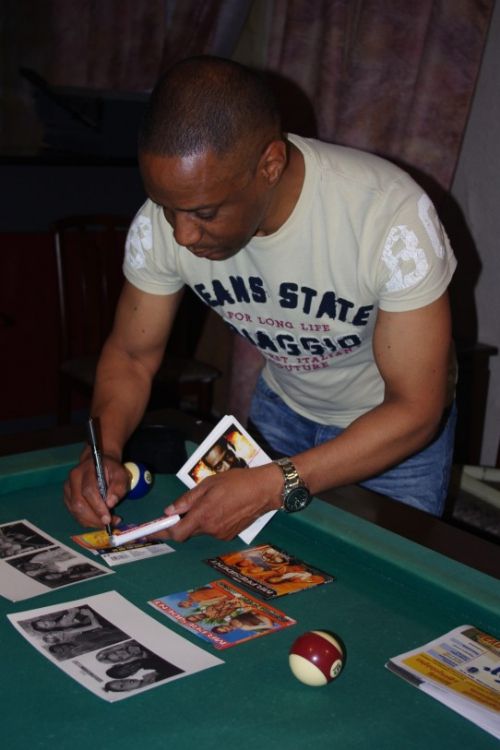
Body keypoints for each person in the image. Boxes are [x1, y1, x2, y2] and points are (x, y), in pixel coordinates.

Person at [64, 55, 457, 541]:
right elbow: (131, 355)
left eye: (205, 212)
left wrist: (275, 484)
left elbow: (416, 408)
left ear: (270, 165)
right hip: (282, 409)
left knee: (389, 581)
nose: (182, 235)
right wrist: (101, 451)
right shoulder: (161, 225)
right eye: (167, 207)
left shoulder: (391, 220)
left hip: (391, 435)